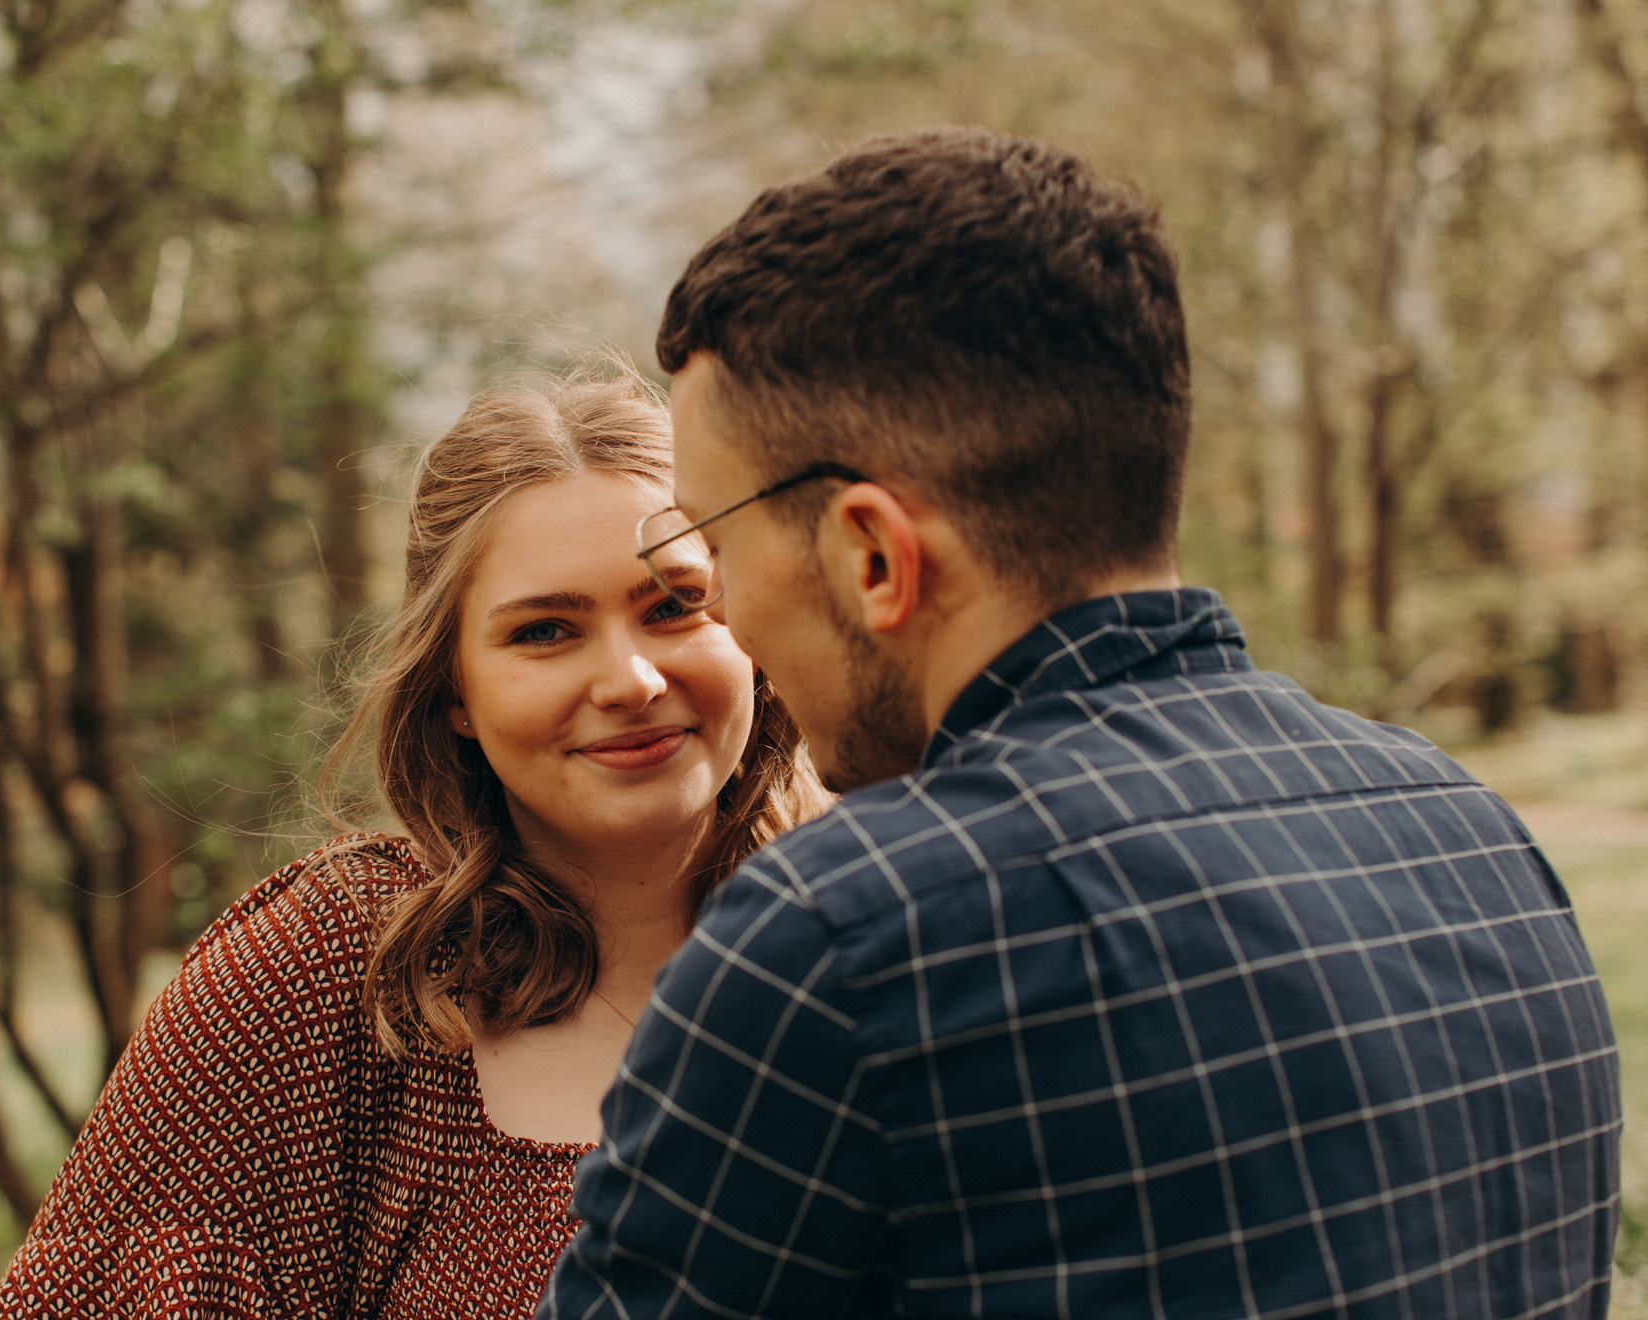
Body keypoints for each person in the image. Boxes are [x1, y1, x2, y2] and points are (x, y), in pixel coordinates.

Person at [541, 128, 1623, 1319]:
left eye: (715, 545)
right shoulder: (1475, 836)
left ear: (872, 556)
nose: (729, 616)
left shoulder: (848, 939)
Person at [0, 373, 828, 1320]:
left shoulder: (880, 941)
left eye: (674, 606)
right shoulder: (334, 978)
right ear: (455, 689)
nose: (630, 680)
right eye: (546, 631)